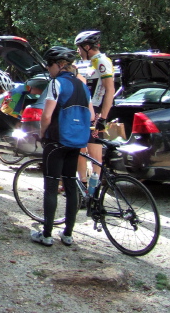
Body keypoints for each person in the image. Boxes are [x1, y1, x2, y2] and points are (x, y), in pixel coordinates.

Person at [31, 46, 94, 246]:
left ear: (59, 65)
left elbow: (47, 116)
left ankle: (47, 234)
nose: (49, 70)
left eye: (49, 66)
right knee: (70, 185)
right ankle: (68, 234)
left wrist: (42, 134)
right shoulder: (83, 86)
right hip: (76, 142)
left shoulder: (56, 83)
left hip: (57, 140)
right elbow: (91, 115)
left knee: (51, 185)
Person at [75, 30, 114, 181]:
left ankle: (95, 189)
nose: (78, 51)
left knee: (94, 153)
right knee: (80, 149)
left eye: (79, 47)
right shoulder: (91, 62)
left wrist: (103, 117)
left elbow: (110, 90)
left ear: (86, 46)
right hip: (87, 110)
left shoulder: (101, 61)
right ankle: (84, 183)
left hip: (97, 112)